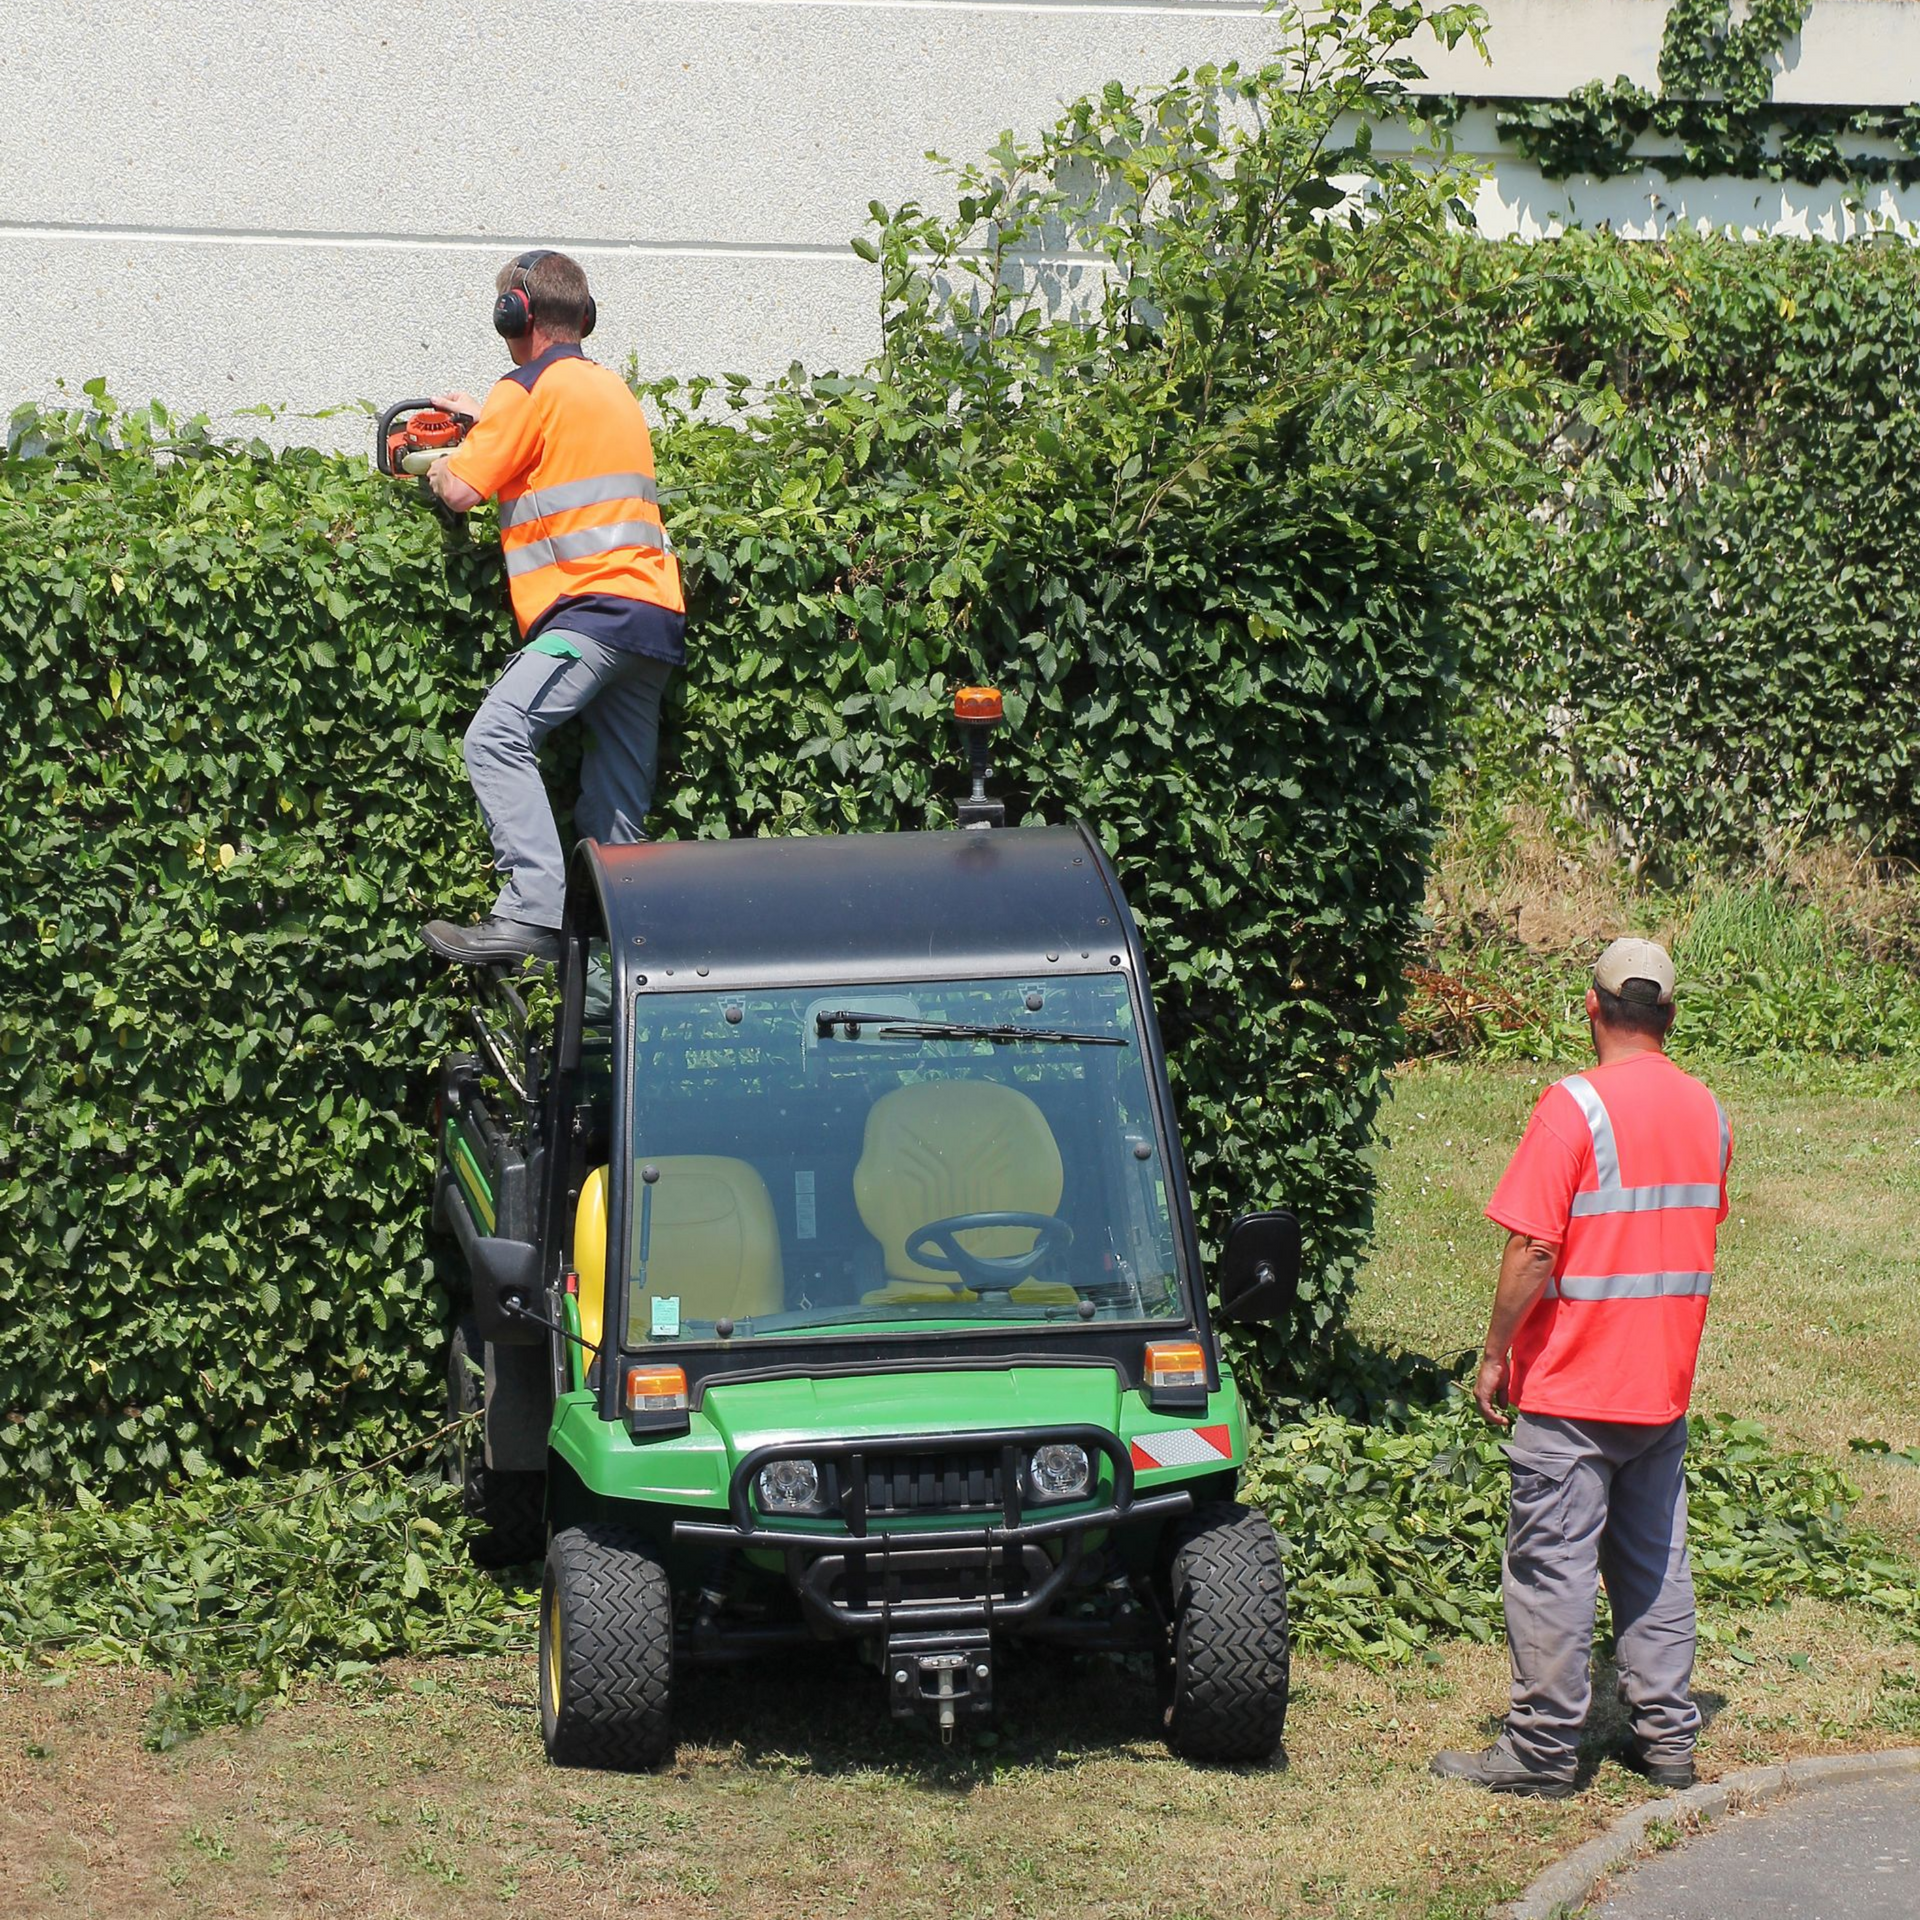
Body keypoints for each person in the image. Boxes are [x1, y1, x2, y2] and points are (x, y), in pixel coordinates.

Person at [1432, 938, 1731, 1799]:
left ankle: (1540, 1751)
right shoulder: (1709, 1113)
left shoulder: (1573, 1109)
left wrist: (1496, 1351)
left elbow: (1533, 1250)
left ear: (1591, 1009)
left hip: (1572, 1388)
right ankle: (1669, 1739)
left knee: (1551, 1569)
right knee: (1655, 1565)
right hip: (1660, 1387)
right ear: (1669, 1018)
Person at [420, 249, 685, 966]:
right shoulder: (609, 390)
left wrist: (439, 463)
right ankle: (620, 967)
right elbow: (552, 448)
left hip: (588, 618)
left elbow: (461, 491)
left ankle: (530, 912)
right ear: (584, 318)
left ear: (515, 314)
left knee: (495, 737)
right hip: (655, 620)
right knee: (615, 809)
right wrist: (490, 419)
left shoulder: (523, 391)